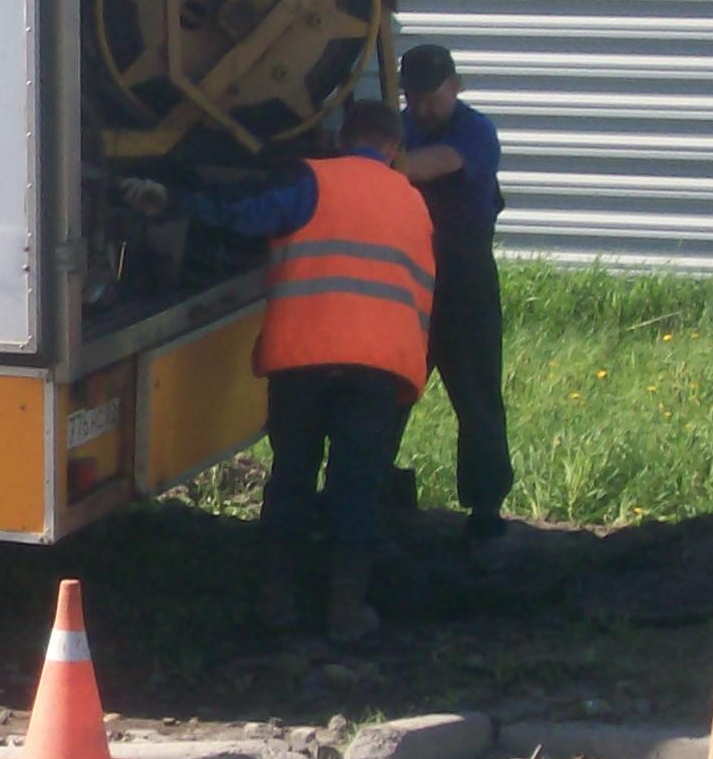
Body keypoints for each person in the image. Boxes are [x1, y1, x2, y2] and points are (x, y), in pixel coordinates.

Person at [129, 100, 435, 640]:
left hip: (305, 361)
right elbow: (422, 297)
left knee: (292, 478)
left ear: (342, 137)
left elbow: (244, 213)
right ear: (393, 147)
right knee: (355, 487)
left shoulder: (312, 182)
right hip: (378, 371)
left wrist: (173, 197)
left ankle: (277, 604)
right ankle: (345, 611)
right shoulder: (414, 203)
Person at [394, 43, 514, 546]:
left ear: (456, 86)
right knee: (388, 390)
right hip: (408, 281)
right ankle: (366, 489)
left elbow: (433, 164)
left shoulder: (475, 130)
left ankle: (485, 509)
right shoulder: (401, 127)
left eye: (432, 98)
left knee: (477, 398)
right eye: (414, 99)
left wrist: (374, 160)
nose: (423, 108)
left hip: (464, 282)